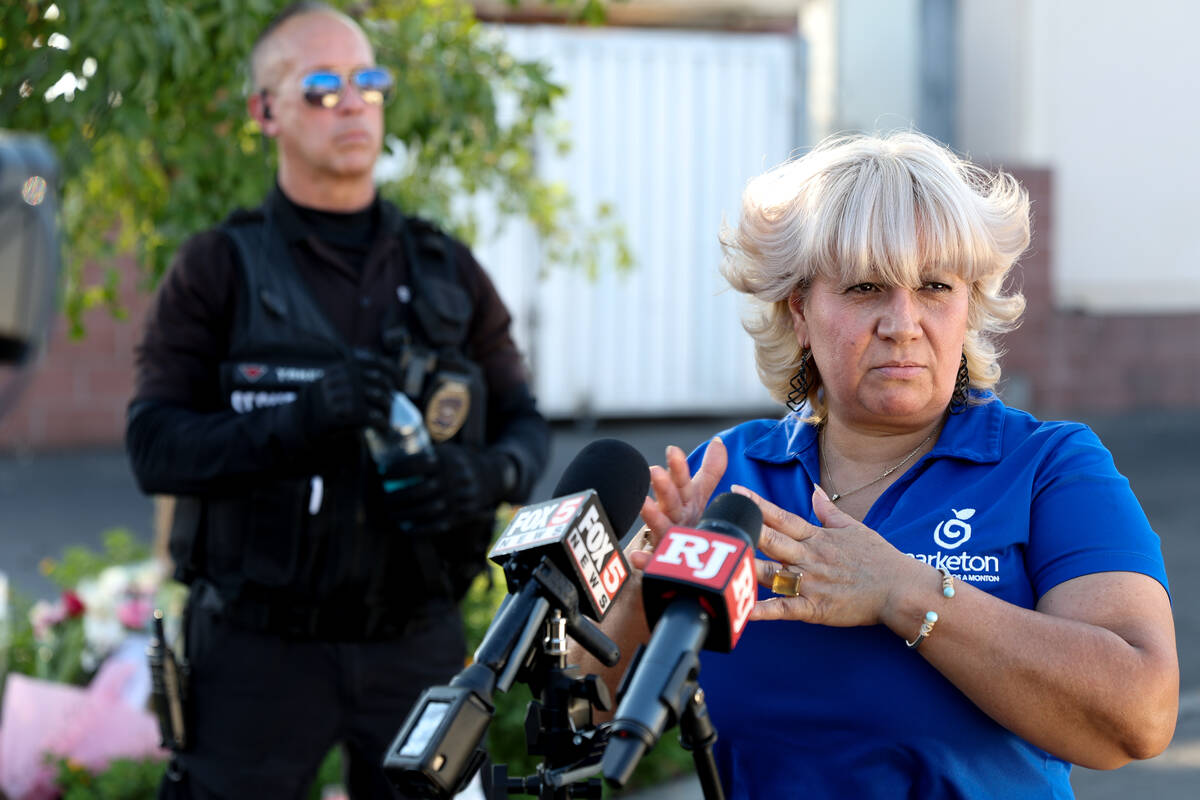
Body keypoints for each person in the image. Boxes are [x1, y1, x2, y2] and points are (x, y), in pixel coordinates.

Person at [602, 131, 1178, 798]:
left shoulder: (1050, 468)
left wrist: (902, 592)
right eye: (867, 287)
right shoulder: (727, 477)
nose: (902, 322)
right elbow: (586, 710)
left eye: (935, 286)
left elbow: (1140, 715)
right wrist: (644, 597)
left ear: (968, 307)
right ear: (799, 310)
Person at [125, 3, 549, 798]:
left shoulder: (446, 268)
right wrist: (300, 421)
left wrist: (483, 478)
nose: (351, 102)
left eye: (367, 81)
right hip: (257, 653)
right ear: (265, 112)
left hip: (413, 645)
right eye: (320, 86)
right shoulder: (217, 268)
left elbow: (527, 425)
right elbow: (154, 445)